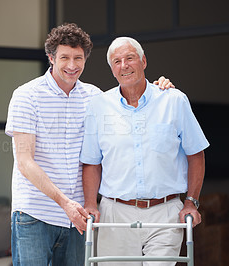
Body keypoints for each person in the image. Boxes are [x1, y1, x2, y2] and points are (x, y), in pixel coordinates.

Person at [5, 24, 173, 266]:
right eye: (64, 57)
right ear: (51, 58)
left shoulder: (95, 98)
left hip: (79, 218)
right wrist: (65, 203)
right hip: (35, 214)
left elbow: (134, 115)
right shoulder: (26, 96)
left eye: (78, 58)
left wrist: (161, 90)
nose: (72, 65)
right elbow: (24, 162)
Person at [80, 36, 209, 265]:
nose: (124, 65)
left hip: (165, 212)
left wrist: (191, 201)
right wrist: (91, 203)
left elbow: (196, 154)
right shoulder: (98, 106)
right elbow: (92, 161)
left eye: (130, 58)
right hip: (115, 214)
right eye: (117, 61)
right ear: (112, 69)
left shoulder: (174, 100)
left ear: (144, 61)